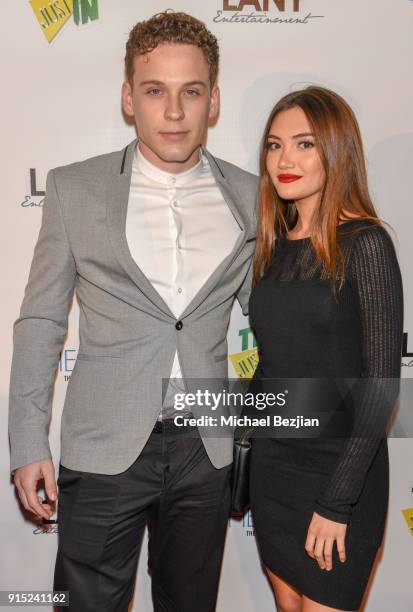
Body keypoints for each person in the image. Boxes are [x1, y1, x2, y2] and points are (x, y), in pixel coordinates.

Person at [8, 11, 258, 612]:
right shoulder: (74, 190)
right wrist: (26, 441)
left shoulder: (252, 196)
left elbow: (273, 324)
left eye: (190, 92)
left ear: (213, 100)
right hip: (103, 446)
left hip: (207, 449)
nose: (173, 111)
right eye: (155, 91)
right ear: (129, 98)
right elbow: (42, 320)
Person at [248, 85, 403, 611]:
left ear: (337, 150)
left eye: (304, 144)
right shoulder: (271, 249)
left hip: (341, 473)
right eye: (274, 145)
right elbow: (273, 367)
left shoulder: (366, 244)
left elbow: (380, 387)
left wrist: (338, 501)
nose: (284, 160)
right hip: (274, 470)